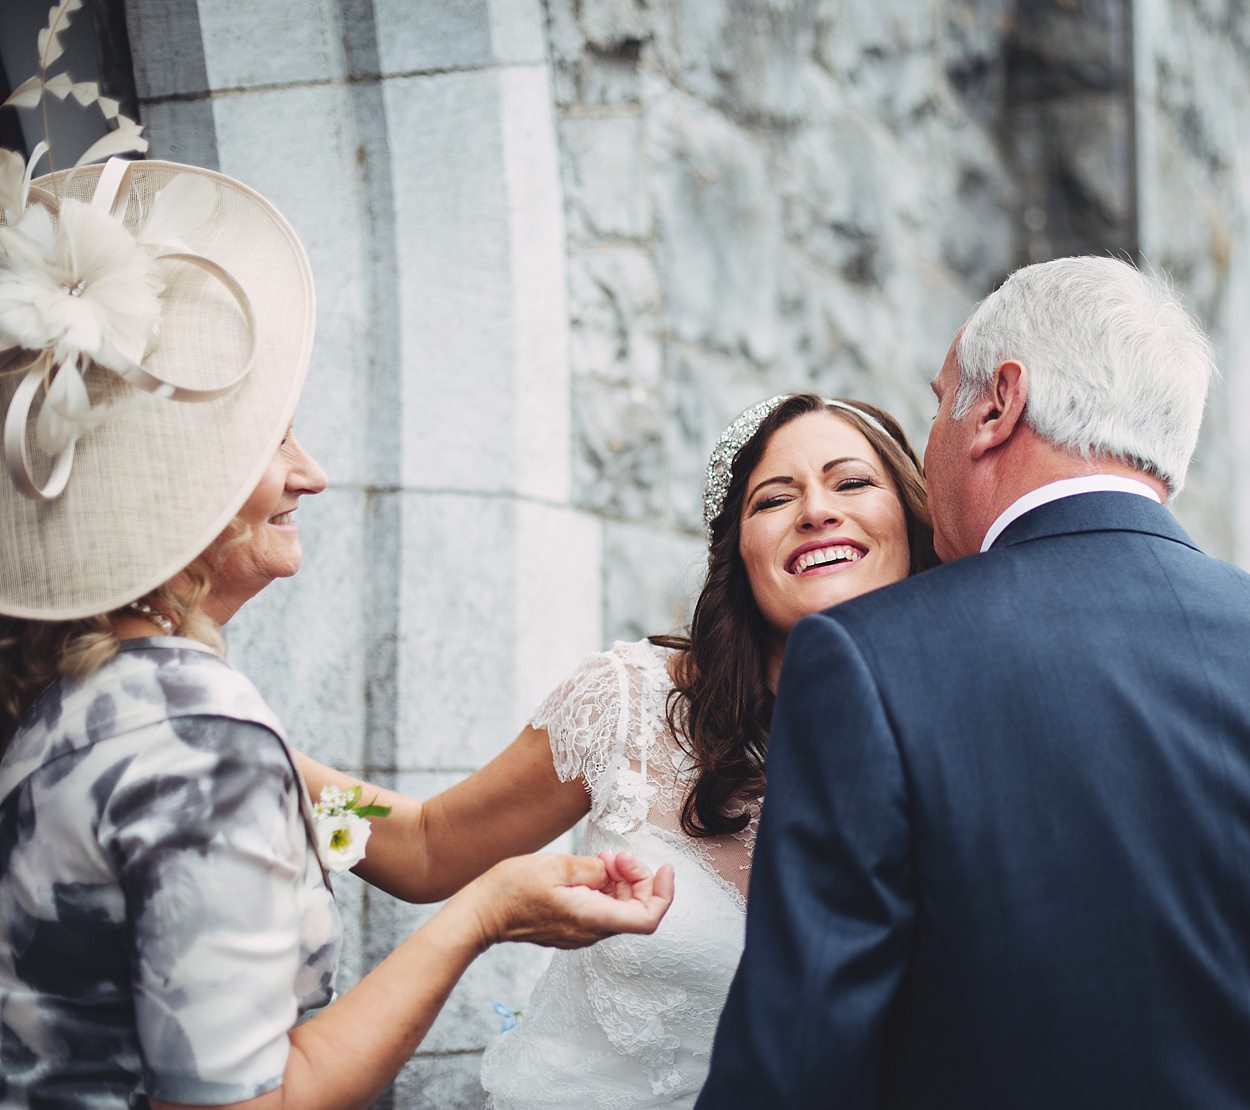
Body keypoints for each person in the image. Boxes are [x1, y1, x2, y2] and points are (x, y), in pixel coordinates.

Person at [698, 257, 1250, 1108]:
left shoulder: (868, 658)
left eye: (937, 404)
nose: (928, 446)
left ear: (998, 405)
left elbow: (796, 1065)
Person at [0, 152, 671, 1110]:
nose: (311, 474)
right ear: (189, 486)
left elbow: (417, 844)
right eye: (275, 439)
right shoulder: (197, 737)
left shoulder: (89, 695)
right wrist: (482, 919)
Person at [292, 393, 937, 1107]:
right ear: (740, 555)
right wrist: (251, 763)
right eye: (775, 498)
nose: (817, 509)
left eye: (851, 482)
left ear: (911, 517)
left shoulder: (966, 727)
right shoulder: (631, 705)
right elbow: (422, 847)